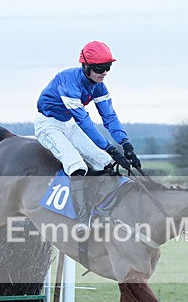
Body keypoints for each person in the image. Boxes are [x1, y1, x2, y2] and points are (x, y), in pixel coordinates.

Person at [35, 41, 141, 228]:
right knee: (77, 165)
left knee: (104, 161)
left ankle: (103, 209)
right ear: (85, 66)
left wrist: (125, 144)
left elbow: (109, 117)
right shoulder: (68, 82)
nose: (104, 72)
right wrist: (110, 148)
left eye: (108, 67)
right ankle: (81, 219)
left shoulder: (99, 86)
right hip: (48, 125)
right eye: (100, 68)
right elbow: (84, 121)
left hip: (69, 124)